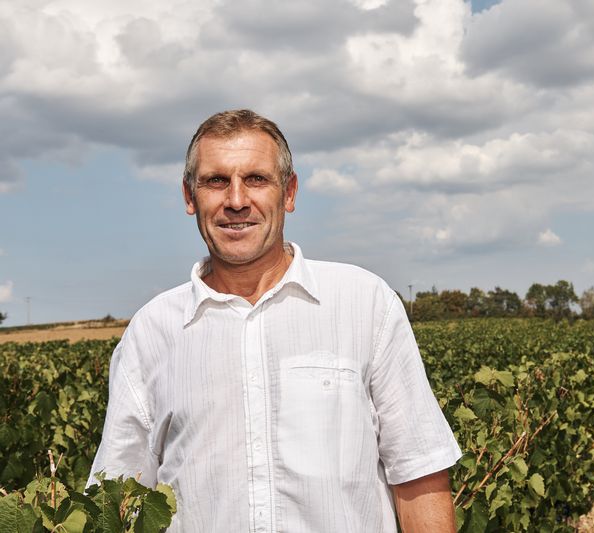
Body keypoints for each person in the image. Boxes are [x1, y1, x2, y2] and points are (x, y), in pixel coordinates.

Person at [88, 109, 462, 532]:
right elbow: (120, 496)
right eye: (215, 181)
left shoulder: (366, 303)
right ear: (189, 197)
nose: (235, 200)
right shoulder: (151, 331)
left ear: (289, 192)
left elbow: (419, 472)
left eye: (256, 179)